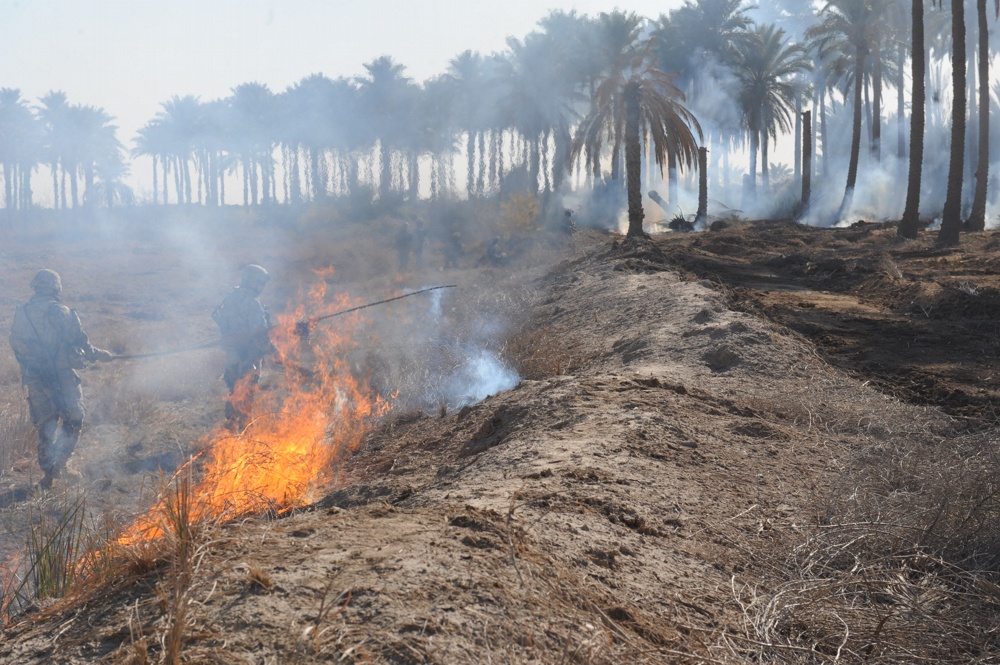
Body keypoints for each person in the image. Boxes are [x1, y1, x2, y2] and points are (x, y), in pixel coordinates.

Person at [9, 269, 114, 489]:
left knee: (46, 426)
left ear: (35, 287)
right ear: (56, 288)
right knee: (74, 418)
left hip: (35, 379)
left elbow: (17, 345)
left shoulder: (22, 313)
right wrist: (101, 355)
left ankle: (48, 474)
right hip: (61, 378)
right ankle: (60, 466)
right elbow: (81, 343)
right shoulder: (60, 312)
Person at [212, 264, 279, 431]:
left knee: (234, 392)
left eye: (262, 283)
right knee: (245, 395)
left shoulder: (230, 297)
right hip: (248, 358)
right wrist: (274, 351)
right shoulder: (252, 302)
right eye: (258, 282)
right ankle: (245, 433)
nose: (261, 287)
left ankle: (230, 431)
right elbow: (259, 334)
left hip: (232, 357)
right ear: (249, 280)